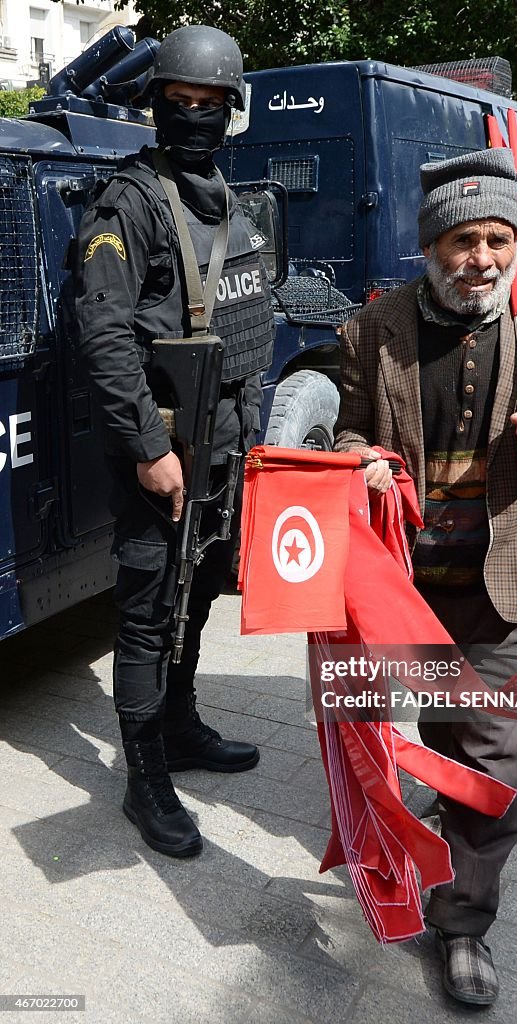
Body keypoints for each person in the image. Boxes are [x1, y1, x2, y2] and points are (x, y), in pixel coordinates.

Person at [334, 149, 517, 1006]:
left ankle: (463, 924)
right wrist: (361, 461)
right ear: (430, 245)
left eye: (499, 239)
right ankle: (434, 820)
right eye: (464, 240)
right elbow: (344, 432)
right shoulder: (372, 329)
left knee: (491, 753)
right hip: (409, 588)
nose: (483, 259)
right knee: (439, 729)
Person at [74, 25, 275, 858]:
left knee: (198, 596)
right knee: (149, 610)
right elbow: (106, 337)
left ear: (231, 111)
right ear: (157, 106)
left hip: (224, 447)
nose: (192, 117)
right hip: (162, 453)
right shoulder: (128, 201)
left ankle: (182, 726)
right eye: (178, 103)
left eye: (208, 104)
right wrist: (151, 452)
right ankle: (143, 774)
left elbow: (247, 313)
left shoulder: (231, 199)